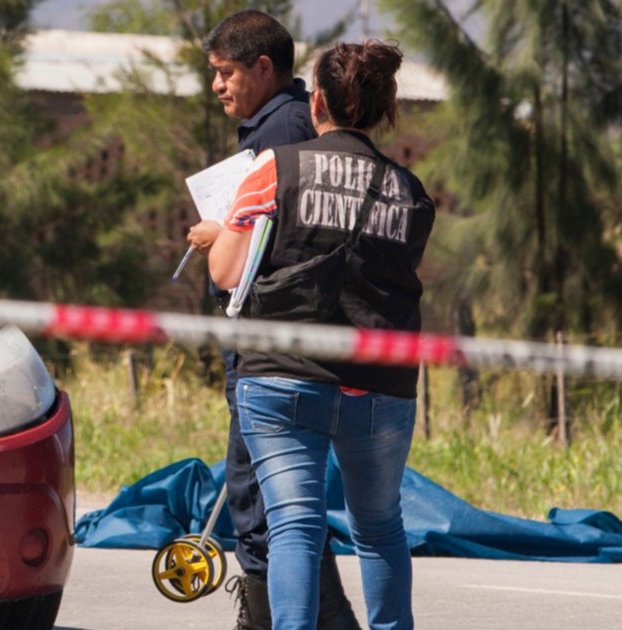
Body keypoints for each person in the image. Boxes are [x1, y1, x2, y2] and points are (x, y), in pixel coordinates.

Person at [206, 40, 436, 630]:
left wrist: (217, 235)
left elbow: (227, 272)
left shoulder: (274, 170)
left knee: (295, 526)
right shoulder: (410, 193)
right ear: (384, 111)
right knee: (381, 526)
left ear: (317, 106)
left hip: (283, 376)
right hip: (380, 384)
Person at [186, 10, 360, 630]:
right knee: (283, 503)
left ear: (264, 67)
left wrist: (219, 235)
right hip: (274, 340)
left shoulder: (283, 129)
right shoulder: (279, 122)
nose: (217, 86)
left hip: (269, 347)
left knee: (261, 502)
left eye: (226, 72)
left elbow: (281, 238)